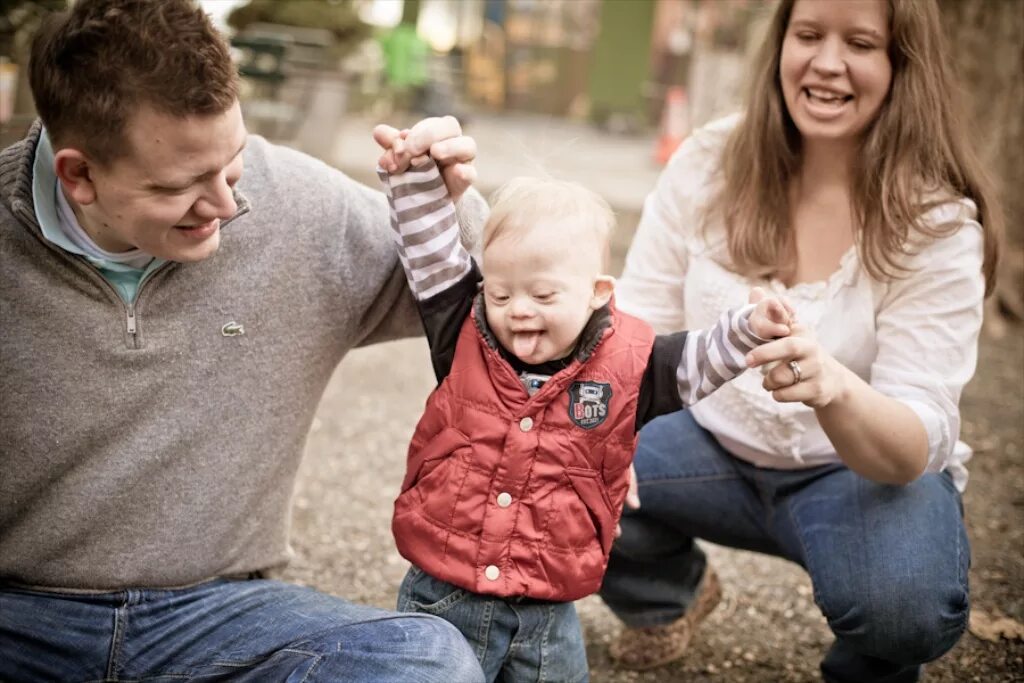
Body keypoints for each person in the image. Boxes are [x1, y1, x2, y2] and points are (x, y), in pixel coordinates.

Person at [0, 1, 489, 681]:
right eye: (181, 186)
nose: (228, 206)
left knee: (430, 661)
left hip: (218, 615)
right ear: (78, 176)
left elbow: (504, 310)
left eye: (230, 163)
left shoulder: (297, 204)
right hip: (20, 616)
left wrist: (446, 207)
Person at [597, 0, 1002, 681]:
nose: (826, 61)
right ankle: (667, 591)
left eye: (862, 43)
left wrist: (835, 387)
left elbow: (919, 436)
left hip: (857, 471)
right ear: (781, 44)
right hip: (706, 442)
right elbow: (633, 325)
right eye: (808, 34)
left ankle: (867, 665)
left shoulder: (937, 223)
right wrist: (592, 443)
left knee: (905, 605)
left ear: (903, 65)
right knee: (544, 457)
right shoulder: (708, 163)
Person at [372, 127, 794, 682]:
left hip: (548, 607)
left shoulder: (628, 366)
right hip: (443, 591)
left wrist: (749, 330)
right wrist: (412, 178)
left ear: (597, 291)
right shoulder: (463, 331)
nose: (519, 309)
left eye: (544, 295)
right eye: (501, 293)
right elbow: (430, 257)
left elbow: (695, 360)